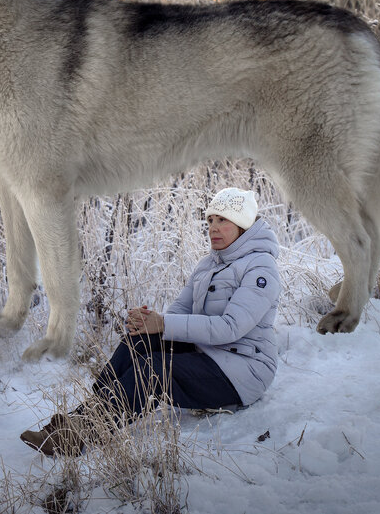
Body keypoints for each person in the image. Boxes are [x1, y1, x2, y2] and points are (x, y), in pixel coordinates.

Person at [20, 187, 281, 457]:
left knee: (153, 369)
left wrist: (164, 324)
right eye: (210, 220)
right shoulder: (209, 264)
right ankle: (84, 418)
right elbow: (179, 310)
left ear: (243, 224)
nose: (213, 227)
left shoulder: (260, 268)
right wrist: (148, 323)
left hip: (243, 370)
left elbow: (230, 327)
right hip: (208, 353)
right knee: (139, 341)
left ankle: (85, 430)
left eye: (222, 220)